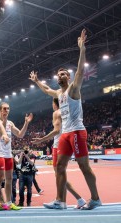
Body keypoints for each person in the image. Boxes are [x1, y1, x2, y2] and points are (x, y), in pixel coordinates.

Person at [29, 29, 101, 210]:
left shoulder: (73, 89)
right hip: (65, 135)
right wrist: (37, 81)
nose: (60, 76)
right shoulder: (58, 94)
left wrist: (82, 49)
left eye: (63, 74)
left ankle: (95, 198)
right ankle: (60, 201)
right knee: (59, 167)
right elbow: (46, 90)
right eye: (58, 74)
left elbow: (81, 69)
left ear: (68, 77)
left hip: (77, 131)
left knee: (84, 166)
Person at [32, 98, 86, 209]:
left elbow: (56, 130)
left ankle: (67, 200)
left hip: (58, 145)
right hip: (66, 143)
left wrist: (42, 139)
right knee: (61, 175)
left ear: (54, 104)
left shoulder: (56, 112)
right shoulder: (67, 112)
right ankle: (64, 202)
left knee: (59, 176)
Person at [0, 102, 33, 210]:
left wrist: (26, 123)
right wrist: (4, 121)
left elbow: (20, 134)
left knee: (9, 179)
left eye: (8, 109)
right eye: (4, 109)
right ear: (0, 111)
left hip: (8, 154)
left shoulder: (10, 124)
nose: (6, 111)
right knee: (0, 178)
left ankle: (9, 202)